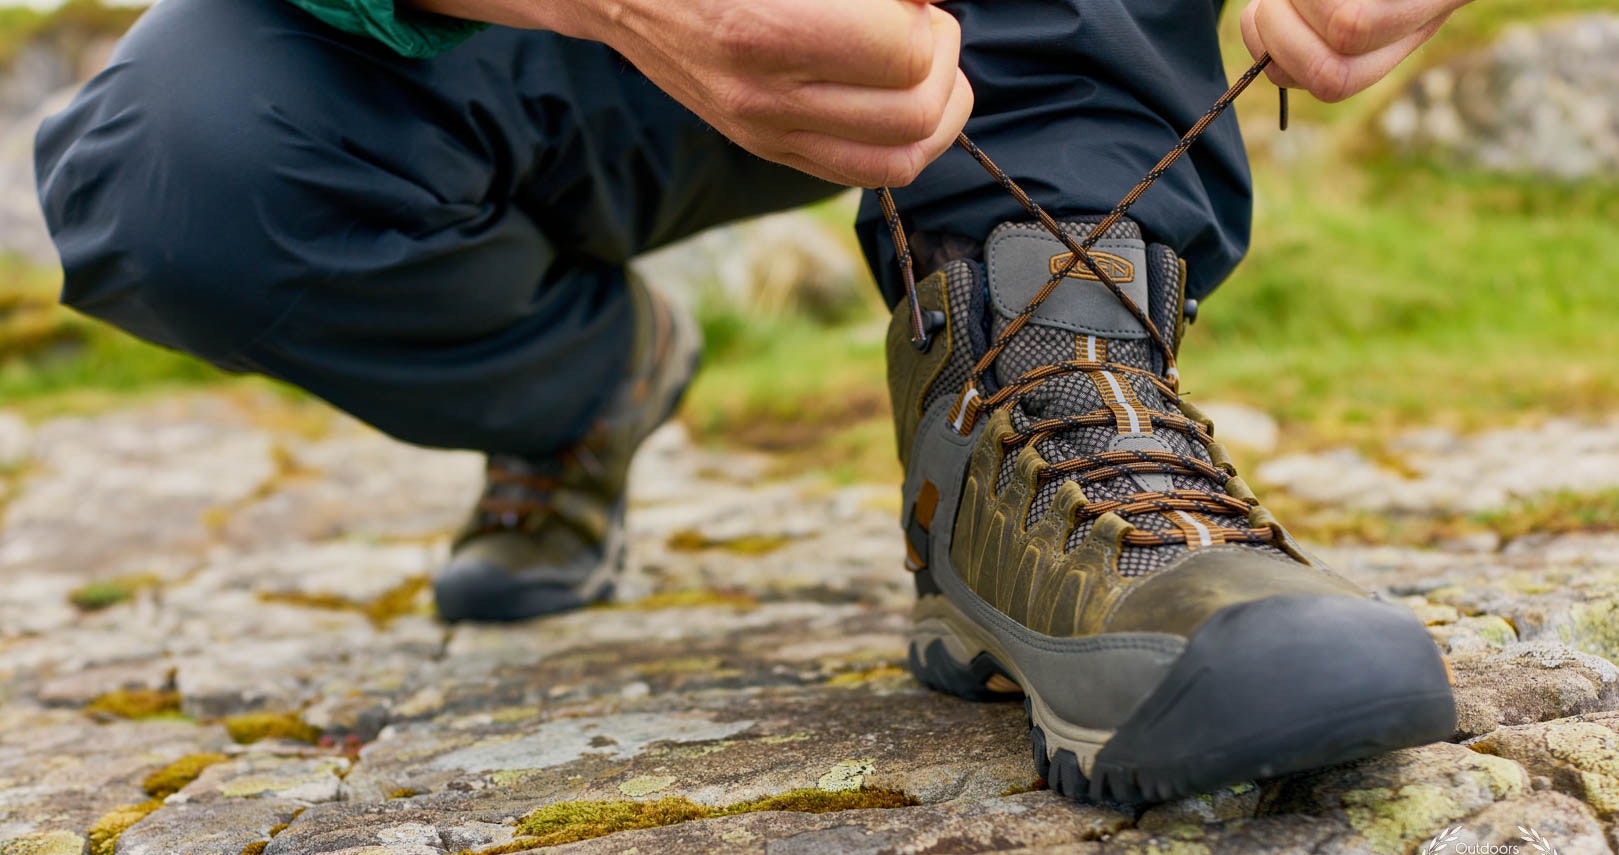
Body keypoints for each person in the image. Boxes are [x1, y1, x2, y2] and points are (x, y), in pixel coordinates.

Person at [34, 0, 1471, 802]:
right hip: (513, 39)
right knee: (182, 166)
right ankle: (589, 386)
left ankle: (1038, 362)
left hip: (1014, 34)